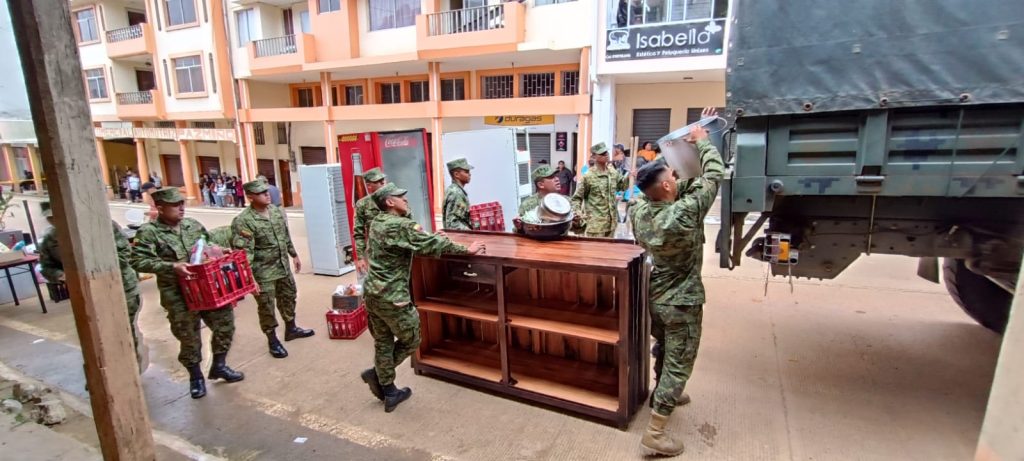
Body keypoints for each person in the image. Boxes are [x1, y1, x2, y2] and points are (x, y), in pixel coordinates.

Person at [628, 107, 724, 456]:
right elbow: (712, 177)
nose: (676, 176)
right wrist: (703, 142)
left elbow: (662, 186)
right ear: (668, 184)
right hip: (682, 301)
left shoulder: (639, 210)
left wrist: (668, 165)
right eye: (672, 173)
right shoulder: (683, 213)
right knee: (680, 360)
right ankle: (655, 433)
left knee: (665, 348)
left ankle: (662, 390)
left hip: (656, 296)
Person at [360, 183, 485, 412]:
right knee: (412, 339)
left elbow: (414, 242)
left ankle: (388, 391)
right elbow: (428, 244)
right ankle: (380, 375)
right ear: (389, 202)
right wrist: (467, 249)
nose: (405, 200)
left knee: (384, 341)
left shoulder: (377, 223)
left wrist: (428, 237)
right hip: (393, 296)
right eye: (400, 197)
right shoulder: (401, 225)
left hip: (372, 293)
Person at [131, 188, 244, 399]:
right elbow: (138, 261)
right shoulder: (149, 233)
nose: (181, 208)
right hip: (177, 293)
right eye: (175, 205)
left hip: (206, 289)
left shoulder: (193, 225)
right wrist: (171, 266)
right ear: (161, 208)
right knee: (188, 337)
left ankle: (219, 365)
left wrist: (219, 251)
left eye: (182, 203)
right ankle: (196, 378)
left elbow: (206, 244)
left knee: (225, 325)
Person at [38, 201, 146, 370]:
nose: (55, 221)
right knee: (96, 333)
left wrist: (92, 273)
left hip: (121, 288)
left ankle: (131, 368)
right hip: (85, 294)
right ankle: (104, 369)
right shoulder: (51, 238)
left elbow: (125, 254)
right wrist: (61, 275)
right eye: (50, 218)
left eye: (57, 216)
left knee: (123, 328)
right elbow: (46, 267)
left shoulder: (101, 225)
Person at [231, 180, 313, 359]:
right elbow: (243, 255)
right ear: (250, 197)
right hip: (263, 272)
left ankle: (291, 328)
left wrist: (294, 254)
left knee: (289, 296)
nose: (267, 194)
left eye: (267, 191)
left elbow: (285, 235)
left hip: (282, 266)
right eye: (261, 193)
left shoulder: (275, 211)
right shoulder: (244, 221)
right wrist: (250, 279)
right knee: (267, 306)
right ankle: (272, 339)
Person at [571, 143, 629, 238]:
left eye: (606, 152)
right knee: (596, 252)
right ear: (594, 157)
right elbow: (576, 198)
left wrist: (630, 177)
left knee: (609, 251)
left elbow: (622, 186)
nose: (606, 154)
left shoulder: (612, 172)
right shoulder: (588, 176)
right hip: (595, 226)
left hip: (611, 224)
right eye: (602, 153)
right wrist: (578, 214)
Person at [353, 168, 387, 274]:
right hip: (376, 253)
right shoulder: (362, 204)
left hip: (398, 251)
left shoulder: (395, 199)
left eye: (383, 180)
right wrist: (360, 258)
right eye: (378, 181)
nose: (382, 183)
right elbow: (358, 233)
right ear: (369, 185)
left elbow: (409, 222)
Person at [442, 158, 474, 230]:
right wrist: (472, 233)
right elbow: (452, 224)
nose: (469, 174)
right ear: (456, 174)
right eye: (466, 172)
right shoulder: (456, 192)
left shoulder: (456, 190)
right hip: (460, 238)